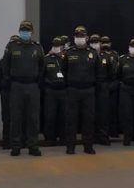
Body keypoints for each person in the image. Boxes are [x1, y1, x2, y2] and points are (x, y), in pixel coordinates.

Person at [3, 20, 44, 156]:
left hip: (32, 85)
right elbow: (5, 66)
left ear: (32, 32)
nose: (25, 32)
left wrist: (38, 83)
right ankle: (16, 146)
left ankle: (33, 146)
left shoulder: (37, 47)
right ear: (19, 31)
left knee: (33, 117)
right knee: (16, 117)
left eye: (27, 30)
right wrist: (9, 81)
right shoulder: (12, 46)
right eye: (23, 30)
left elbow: (42, 67)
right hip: (16, 86)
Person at [63, 26, 99, 154]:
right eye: (77, 36)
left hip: (88, 91)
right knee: (71, 119)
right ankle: (70, 146)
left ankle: (88, 146)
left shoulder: (93, 53)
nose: (79, 39)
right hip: (72, 90)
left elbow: (98, 72)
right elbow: (63, 70)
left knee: (88, 119)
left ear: (86, 38)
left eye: (81, 36)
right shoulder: (68, 52)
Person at [90, 34, 115, 146]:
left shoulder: (105, 56)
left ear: (100, 43)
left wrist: (107, 86)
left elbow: (112, 73)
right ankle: (93, 136)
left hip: (103, 86)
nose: (94, 44)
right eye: (92, 42)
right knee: (91, 113)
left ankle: (103, 136)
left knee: (104, 113)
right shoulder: (88, 55)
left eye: (96, 42)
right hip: (91, 86)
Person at [42, 37, 67, 146]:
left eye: (59, 46)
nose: (57, 48)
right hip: (50, 91)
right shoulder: (46, 59)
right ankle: (49, 138)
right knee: (50, 115)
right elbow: (41, 76)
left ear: (62, 46)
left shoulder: (66, 58)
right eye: (55, 46)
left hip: (63, 91)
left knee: (64, 115)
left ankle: (63, 137)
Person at [0, 35, 20, 150]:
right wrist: (4, 86)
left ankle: (19, 140)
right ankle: (6, 141)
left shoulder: (21, 59)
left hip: (18, 91)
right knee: (6, 117)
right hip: (6, 92)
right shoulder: (2, 61)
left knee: (18, 116)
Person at [101, 36, 121, 139]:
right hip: (103, 84)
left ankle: (113, 130)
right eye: (103, 42)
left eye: (107, 42)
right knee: (104, 110)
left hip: (113, 83)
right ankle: (104, 132)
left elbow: (117, 69)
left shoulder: (115, 54)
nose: (105, 44)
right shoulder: (99, 54)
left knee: (113, 109)